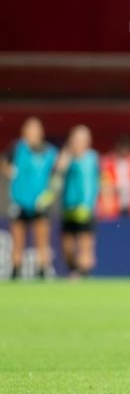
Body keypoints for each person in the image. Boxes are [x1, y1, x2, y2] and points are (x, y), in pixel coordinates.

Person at [1, 117, 57, 279]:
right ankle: (16, 269)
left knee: (42, 239)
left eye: (35, 130)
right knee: (18, 240)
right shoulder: (16, 148)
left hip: (40, 202)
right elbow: (3, 163)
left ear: (41, 132)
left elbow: (57, 175)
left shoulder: (50, 152)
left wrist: (49, 195)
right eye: (28, 130)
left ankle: (42, 269)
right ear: (24, 133)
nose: (31, 133)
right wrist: (7, 169)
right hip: (19, 200)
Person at [55, 125, 100, 278]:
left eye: (81, 139)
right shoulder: (67, 157)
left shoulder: (92, 158)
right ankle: (74, 270)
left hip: (85, 207)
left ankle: (82, 273)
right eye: (75, 139)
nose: (78, 142)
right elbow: (57, 172)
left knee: (84, 243)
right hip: (68, 206)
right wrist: (66, 156)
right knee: (67, 246)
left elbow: (96, 183)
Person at [96, 134, 130, 220]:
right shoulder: (106, 162)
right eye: (122, 146)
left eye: (127, 147)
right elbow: (104, 184)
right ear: (117, 146)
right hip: (112, 206)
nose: (124, 151)